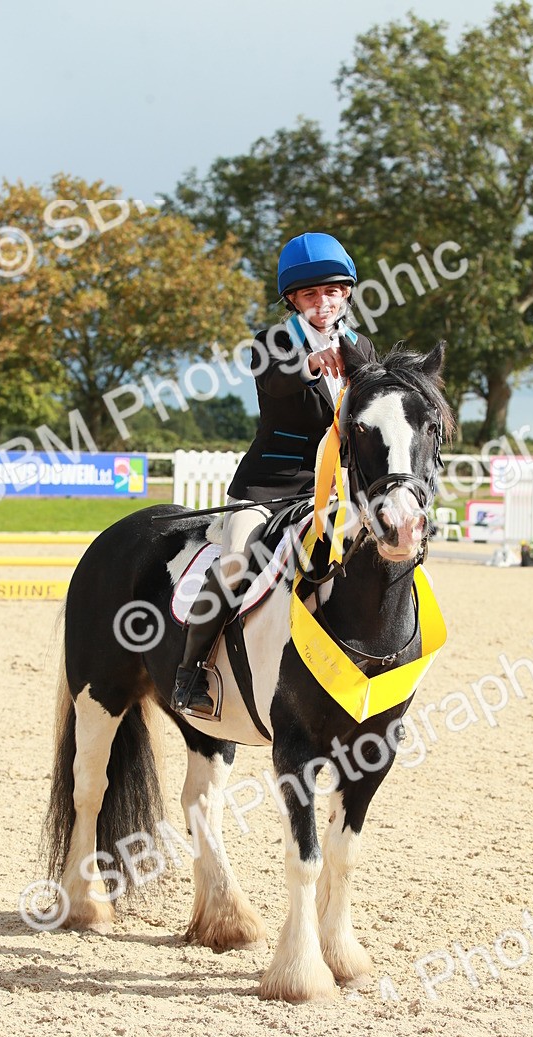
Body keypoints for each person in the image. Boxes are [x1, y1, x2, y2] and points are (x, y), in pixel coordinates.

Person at [172, 231, 378, 716]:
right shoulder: (272, 342)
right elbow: (279, 379)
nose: (322, 302)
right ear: (292, 299)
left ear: (346, 292)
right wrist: (313, 362)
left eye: (331, 291)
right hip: (269, 488)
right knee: (235, 564)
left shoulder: (360, 345)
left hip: (336, 493)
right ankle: (190, 673)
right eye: (310, 294)